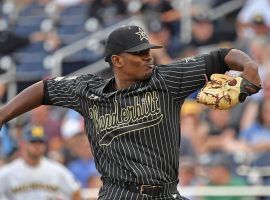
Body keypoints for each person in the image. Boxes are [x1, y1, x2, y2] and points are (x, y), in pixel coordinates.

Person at [0, 25, 261, 199]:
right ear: (117, 60)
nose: (148, 57)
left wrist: (249, 67)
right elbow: (43, 89)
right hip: (118, 193)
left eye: (148, 51)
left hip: (165, 192)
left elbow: (223, 55)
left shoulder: (167, 79)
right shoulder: (88, 90)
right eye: (139, 53)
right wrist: (3, 115)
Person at [0, 124, 81, 200]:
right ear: (23, 144)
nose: (37, 146)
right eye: (33, 142)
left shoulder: (56, 170)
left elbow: (75, 191)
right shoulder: (9, 172)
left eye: (41, 142)